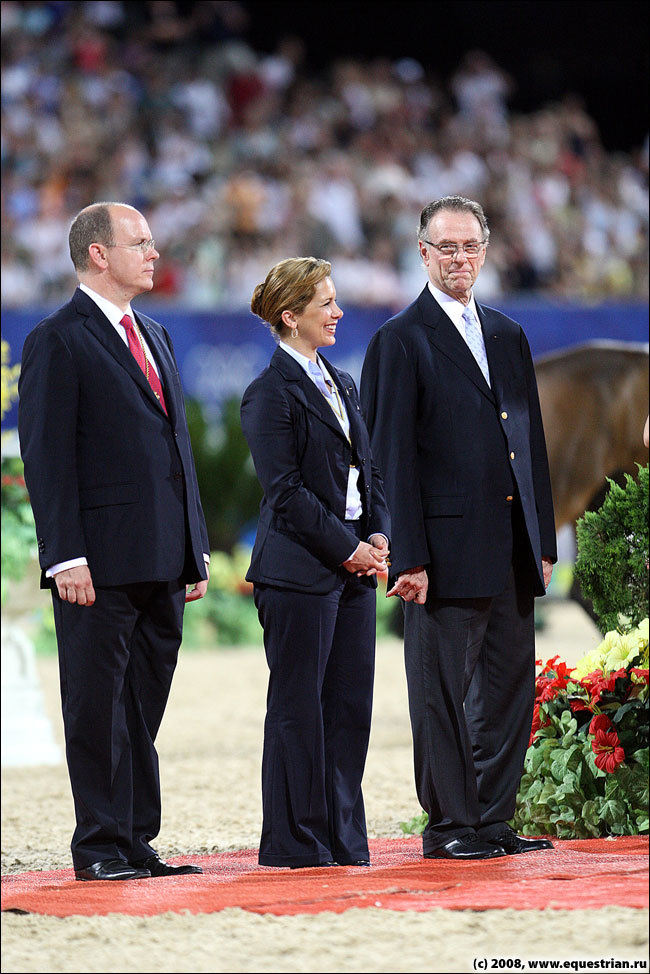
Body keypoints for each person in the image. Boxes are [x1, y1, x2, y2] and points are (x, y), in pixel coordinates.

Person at [18, 202, 210, 881]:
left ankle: (135, 841)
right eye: (141, 242)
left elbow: (175, 448)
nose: (155, 253)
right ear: (98, 254)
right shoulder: (57, 339)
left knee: (142, 708)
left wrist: (196, 546)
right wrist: (64, 553)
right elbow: (46, 456)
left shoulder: (154, 332)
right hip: (96, 561)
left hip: (163, 557)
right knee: (96, 706)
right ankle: (98, 846)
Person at [361, 196, 557, 860]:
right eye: (446, 248)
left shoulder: (507, 333)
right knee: (442, 696)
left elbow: (528, 445)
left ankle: (493, 820)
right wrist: (407, 554)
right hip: (439, 556)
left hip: (510, 549)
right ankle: (449, 826)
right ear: (422, 253)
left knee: (508, 692)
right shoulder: (399, 340)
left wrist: (545, 539)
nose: (460, 259)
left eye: (470, 246)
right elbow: (389, 460)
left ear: (485, 249)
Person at [240, 257, 391, 868]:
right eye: (325, 303)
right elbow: (286, 493)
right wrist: (348, 547)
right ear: (290, 315)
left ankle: (342, 840)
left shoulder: (341, 381)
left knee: (350, 709)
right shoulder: (267, 393)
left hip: (352, 564)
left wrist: (377, 534)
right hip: (299, 571)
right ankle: (294, 844)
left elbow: (368, 470)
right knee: (300, 710)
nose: (338, 311)